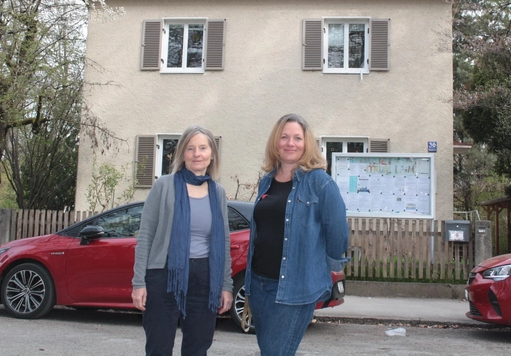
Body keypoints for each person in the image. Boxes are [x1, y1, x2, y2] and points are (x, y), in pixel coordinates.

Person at [245, 113, 350, 356]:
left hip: (295, 289)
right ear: (275, 142)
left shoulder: (320, 183)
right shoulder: (267, 182)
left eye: (297, 138)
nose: (290, 143)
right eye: (284, 137)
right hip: (259, 286)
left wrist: (329, 267)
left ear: (307, 144)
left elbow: (337, 233)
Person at [131, 126, 233, 356]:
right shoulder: (164, 186)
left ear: (212, 154)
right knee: (159, 347)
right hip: (164, 274)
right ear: (182, 154)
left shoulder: (218, 192)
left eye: (203, 148)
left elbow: (223, 242)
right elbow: (146, 234)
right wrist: (139, 282)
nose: (197, 153)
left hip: (205, 278)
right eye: (190, 148)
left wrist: (226, 285)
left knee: (198, 347)